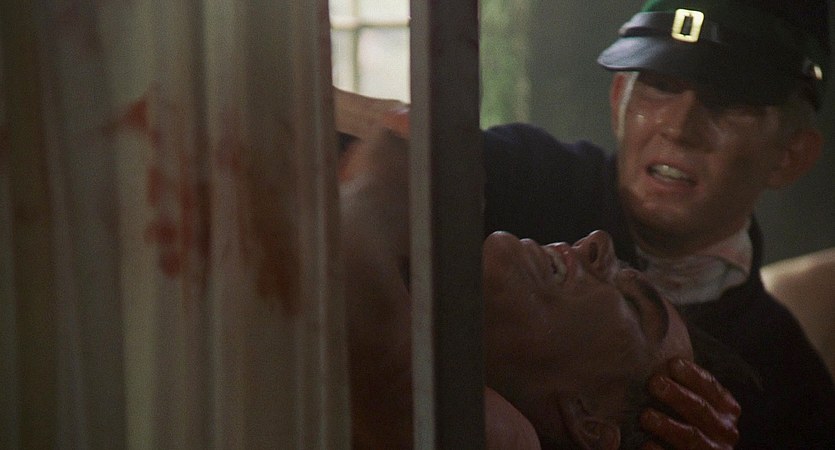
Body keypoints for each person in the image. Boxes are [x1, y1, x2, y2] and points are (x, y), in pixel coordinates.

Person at [479, 0, 835, 448]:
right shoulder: (516, 177)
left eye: (729, 103)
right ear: (618, 101)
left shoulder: (789, 391)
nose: (680, 128)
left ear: (791, 155)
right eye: (661, 86)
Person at [340, 126, 710, 449]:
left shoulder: (508, 439)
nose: (598, 240)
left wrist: (391, 173)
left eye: (632, 304)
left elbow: (364, 318)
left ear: (589, 422)